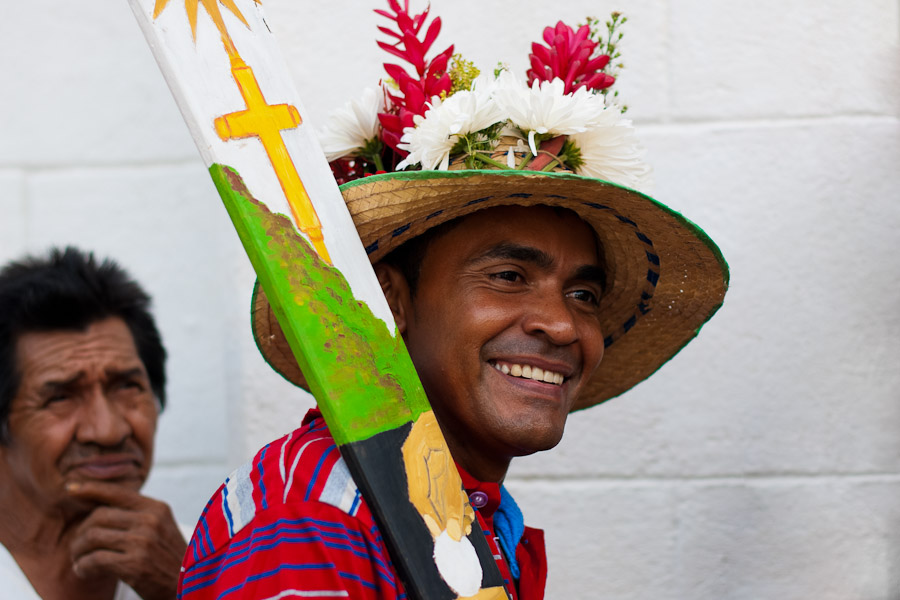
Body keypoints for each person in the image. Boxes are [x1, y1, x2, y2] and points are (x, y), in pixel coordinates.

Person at [176, 8, 728, 600]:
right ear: (389, 300)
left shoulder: (467, 515)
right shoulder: (312, 524)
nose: (563, 325)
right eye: (509, 275)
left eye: (583, 295)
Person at [0, 247, 187, 600]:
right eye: (61, 397)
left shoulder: (215, 563)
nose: (108, 431)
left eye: (127, 387)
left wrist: (187, 586)